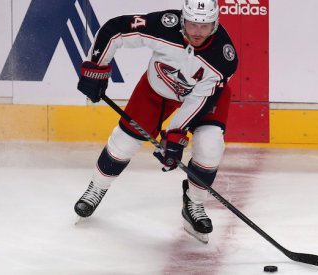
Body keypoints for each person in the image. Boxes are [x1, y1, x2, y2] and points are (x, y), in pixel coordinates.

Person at [74, 0, 238, 243]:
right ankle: (97, 187)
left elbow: (198, 102)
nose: (197, 32)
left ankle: (194, 203)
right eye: (192, 24)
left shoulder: (223, 58)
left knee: (210, 144)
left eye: (205, 26)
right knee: (124, 141)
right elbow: (114, 30)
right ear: (183, 19)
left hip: (203, 96)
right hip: (157, 90)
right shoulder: (164, 25)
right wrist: (96, 68)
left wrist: (175, 135)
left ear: (216, 24)